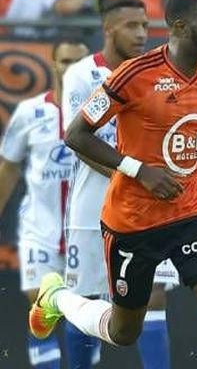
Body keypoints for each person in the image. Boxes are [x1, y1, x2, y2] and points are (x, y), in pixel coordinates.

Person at [30, 0, 197, 369]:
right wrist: (139, 171)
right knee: (123, 332)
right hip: (133, 221)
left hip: (191, 211)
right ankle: (56, 298)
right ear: (181, 28)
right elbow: (76, 134)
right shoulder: (133, 75)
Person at [60, 0, 180, 369]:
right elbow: (80, 141)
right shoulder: (81, 74)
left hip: (149, 208)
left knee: (155, 295)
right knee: (87, 297)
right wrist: (130, 175)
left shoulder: (157, 73)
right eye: (132, 25)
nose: (142, 33)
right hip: (92, 204)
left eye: (145, 25)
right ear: (108, 29)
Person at [0, 39, 89, 369]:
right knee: (40, 305)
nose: (71, 68)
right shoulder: (30, 112)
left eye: (78, 61)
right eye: (65, 61)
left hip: (86, 230)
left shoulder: (102, 113)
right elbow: (9, 167)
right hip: (40, 226)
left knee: (83, 315)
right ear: (54, 64)